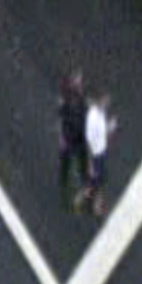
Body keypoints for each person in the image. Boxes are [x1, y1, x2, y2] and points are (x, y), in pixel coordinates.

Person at [76, 92, 117, 218]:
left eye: (107, 103)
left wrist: (109, 127)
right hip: (95, 156)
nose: (106, 105)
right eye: (105, 102)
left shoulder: (99, 112)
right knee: (97, 181)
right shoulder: (93, 119)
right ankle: (93, 206)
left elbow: (101, 132)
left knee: (97, 180)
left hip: (100, 153)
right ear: (100, 101)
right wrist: (90, 164)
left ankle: (85, 199)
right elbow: (89, 142)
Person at [57, 70, 88, 208]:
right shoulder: (67, 101)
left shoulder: (82, 101)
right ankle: (64, 181)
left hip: (79, 137)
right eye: (77, 83)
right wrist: (62, 137)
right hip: (70, 137)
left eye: (80, 83)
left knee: (81, 161)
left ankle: (84, 182)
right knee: (67, 160)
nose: (80, 86)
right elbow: (61, 118)